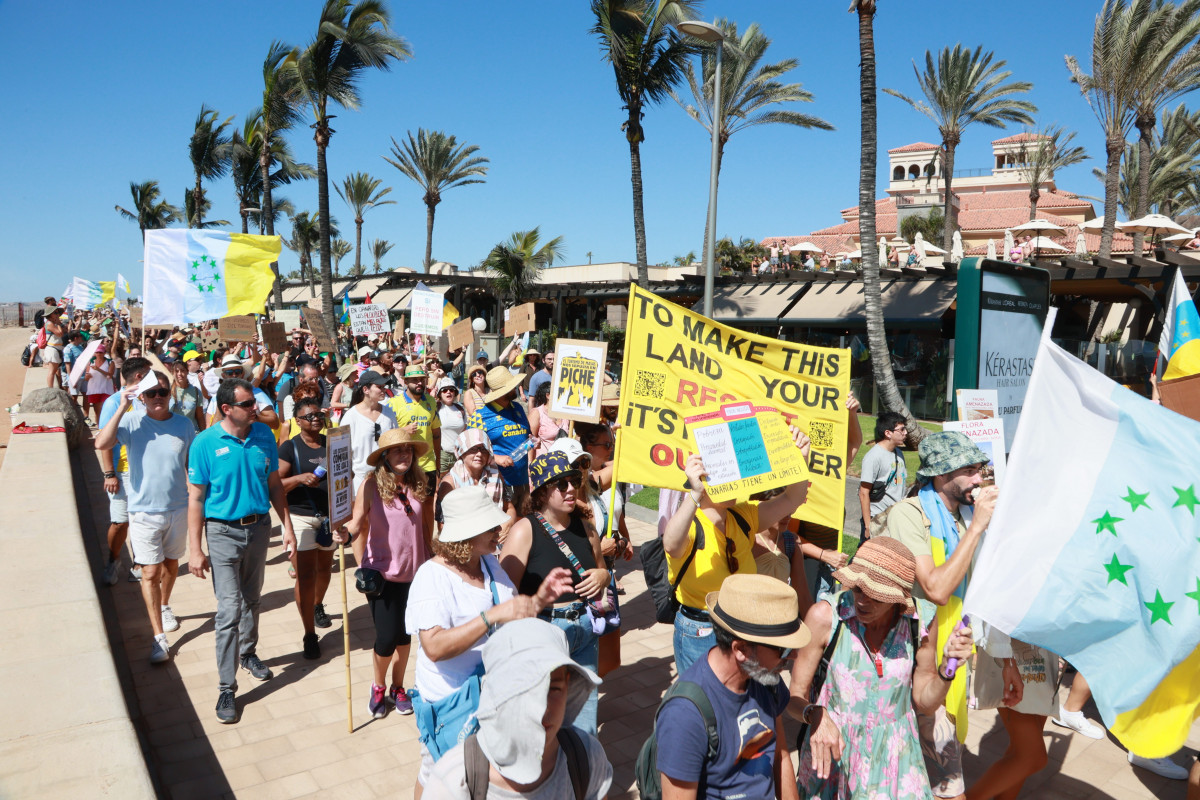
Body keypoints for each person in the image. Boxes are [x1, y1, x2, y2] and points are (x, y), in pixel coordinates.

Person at [406, 486, 574, 796]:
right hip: (451, 704)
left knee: (479, 771)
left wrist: (538, 599)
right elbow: (434, 647)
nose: (500, 529)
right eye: (490, 526)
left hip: (491, 695)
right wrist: (491, 616)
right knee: (438, 772)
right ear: (466, 533)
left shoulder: (488, 563)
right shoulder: (431, 578)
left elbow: (510, 612)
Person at [790, 538, 977, 799]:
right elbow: (794, 696)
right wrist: (814, 714)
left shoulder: (919, 621)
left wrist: (947, 669)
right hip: (835, 756)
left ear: (898, 598)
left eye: (876, 595)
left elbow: (924, 702)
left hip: (895, 758)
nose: (863, 601)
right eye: (857, 589)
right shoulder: (825, 617)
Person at [879, 431, 998, 800]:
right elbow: (936, 588)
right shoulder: (909, 515)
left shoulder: (961, 516)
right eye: (971, 470)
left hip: (946, 657)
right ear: (943, 473)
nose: (979, 478)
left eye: (981, 469)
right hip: (909, 665)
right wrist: (977, 526)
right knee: (944, 788)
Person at [187, 378, 297, 724]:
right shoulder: (204, 443)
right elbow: (196, 497)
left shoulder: (264, 436)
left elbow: (274, 484)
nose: (256, 409)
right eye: (248, 404)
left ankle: (248, 654)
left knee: (253, 598)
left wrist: (288, 527)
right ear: (226, 409)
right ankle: (225, 686)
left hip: (259, 528)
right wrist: (195, 548)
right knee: (228, 610)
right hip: (221, 532)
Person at [661, 426, 813, 675]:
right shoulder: (690, 521)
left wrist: (800, 459)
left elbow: (791, 500)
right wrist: (694, 495)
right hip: (700, 630)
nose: (733, 484)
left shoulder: (743, 516)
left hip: (742, 627)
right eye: (723, 477)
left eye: (734, 477)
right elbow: (671, 544)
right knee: (705, 704)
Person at [656, 573, 809, 800]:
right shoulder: (685, 714)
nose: (794, 656)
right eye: (783, 650)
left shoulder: (766, 681)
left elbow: (781, 756)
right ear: (741, 650)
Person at [422, 618, 611, 800]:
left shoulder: (586, 756)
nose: (542, 708)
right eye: (526, 690)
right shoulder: (455, 778)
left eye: (554, 688)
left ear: (568, 685)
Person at [500, 452, 609, 735]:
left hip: (585, 628)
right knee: (543, 717)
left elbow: (602, 569)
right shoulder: (525, 530)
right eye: (561, 485)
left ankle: (582, 771)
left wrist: (604, 575)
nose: (571, 488)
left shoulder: (586, 526)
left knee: (584, 717)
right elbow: (504, 594)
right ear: (542, 492)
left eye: (573, 481)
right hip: (545, 629)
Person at [95, 369, 196, 665]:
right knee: (150, 572)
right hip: (141, 511)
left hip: (177, 508)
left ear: (170, 394)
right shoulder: (130, 421)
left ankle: (165, 605)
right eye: (151, 393)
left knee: (171, 564)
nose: (157, 398)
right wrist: (123, 407)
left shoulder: (184, 425)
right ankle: (158, 638)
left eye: (162, 392)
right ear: (142, 396)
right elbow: (101, 443)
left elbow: (189, 463)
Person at [343, 429, 433, 718]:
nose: (404, 454)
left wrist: (433, 559)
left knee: (406, 636)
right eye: (397, 450)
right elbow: (357, 523)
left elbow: (427, 528)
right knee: (386, 636)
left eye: (408, 449)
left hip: (415, 572)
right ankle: (378, 686)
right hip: (382, 573)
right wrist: (343, 535)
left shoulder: (421, 484)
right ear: (385, 457)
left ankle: (398, 687)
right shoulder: (370, 485)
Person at [277, 394, 338, 659]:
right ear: (298, 421)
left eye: (319, 415)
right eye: (309, 416)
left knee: (325, 569)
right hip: (301, 517)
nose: (316, 419)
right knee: (305, 576)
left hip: (329, 517)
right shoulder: (289, 448)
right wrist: (300, 478)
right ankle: (309, 634)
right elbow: (276, 485)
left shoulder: (332, 443)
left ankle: (317, 605)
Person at [99, 356, 153, 585]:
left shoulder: (149, 399)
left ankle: (140, 563)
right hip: (122, 473)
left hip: (147, 471)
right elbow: (104, 440)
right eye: (149, 374)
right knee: (121, 522)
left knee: (144, 519)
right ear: (140, 377)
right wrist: (109, 474)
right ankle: (113, 560)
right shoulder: (113, 403)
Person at [467, 365, 533, 508]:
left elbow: (527, 436)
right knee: (504, 528)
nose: (516, 388)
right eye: (512, 386)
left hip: (523, 482)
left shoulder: (519, 408)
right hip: (497, 483)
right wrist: (495, 458)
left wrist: (533, 442)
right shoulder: (480, 416)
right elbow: (467, 450)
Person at [438, 428, 518, 537]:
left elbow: (509, 508)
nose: (479, 454)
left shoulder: (495, 475)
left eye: (483, 449)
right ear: (462, 451)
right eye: (473, 449)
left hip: (495, 540)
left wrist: (507, 524)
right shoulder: (450, 482)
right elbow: (443, 525)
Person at [386, 365, 442, 493]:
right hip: (403, 464)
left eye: (422, 379)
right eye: (415, 380)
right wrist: (403, 431)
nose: (419, 383)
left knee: (428, 505)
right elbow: (385, 437)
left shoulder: (431, 402)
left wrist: (438, 462)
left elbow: (436, 433)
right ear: (405, 382)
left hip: (428, 465)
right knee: (408, 506)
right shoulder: (393, 404)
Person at [341, 370, 399, 492]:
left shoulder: (388, 413)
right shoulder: (351, 416)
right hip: (361, 480)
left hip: (387, 476)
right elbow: (343, 452)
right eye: (379, 387)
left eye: (384, 386)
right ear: (366, 390)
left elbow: (395, 442)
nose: (383, 390)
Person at [859, 411, 908, 542]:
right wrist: (868, 525)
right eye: (902, 429)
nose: (906, 433)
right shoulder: (873, 457)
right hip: (877, 520)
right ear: (888, 433)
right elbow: (863, 492)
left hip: (895, 518)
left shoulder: (898, 453)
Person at [435, 377, 468, 476]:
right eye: (444, 390)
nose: (448, 392)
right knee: (440, 486)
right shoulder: (435, 407)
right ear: (440, 394)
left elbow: (465, 429)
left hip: (458, 453)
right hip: (441, 454)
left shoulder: (460, 408)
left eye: (451, 390)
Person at [527, 382, 568, 460]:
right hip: (543, 464)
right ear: (548, 396)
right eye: (560, 392)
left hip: (564, 464)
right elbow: (530, 440)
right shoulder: (537, 413)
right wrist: (529, 463)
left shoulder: (566, 413)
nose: (564, 394)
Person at [83, 342, 116, 424]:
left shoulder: (110, 362)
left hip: (106, 389)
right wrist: (87, 376)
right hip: (94, 389)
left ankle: (104, 426)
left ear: (104, 353)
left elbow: (110, 375)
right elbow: (86, 377)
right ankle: (99, 427)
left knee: (104, 409)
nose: (98, 354)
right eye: (97, 352)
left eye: (100, 352)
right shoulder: (90, 362)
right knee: (97, 411)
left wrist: (98, 369)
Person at [169, 359, 205, 431]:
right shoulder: (167, 392)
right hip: (174, 433)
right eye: (176, 371)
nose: (179, 373)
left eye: (182, 370)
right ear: (172, 373)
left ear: (187, 372)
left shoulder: (196, 392)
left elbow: (200, 417)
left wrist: (203, 434)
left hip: (192, 432)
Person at [39, 304, 66, 388]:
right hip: (52, 348)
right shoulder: (50, 324)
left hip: (57, 348)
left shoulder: (52, 323)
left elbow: (64, 330)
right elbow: (60, 334)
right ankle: (50, 388)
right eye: (55, 313)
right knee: (52, 371)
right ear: (50, 315)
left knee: (55, 370)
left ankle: (54, 387)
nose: (57, 314)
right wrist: (58, 324)